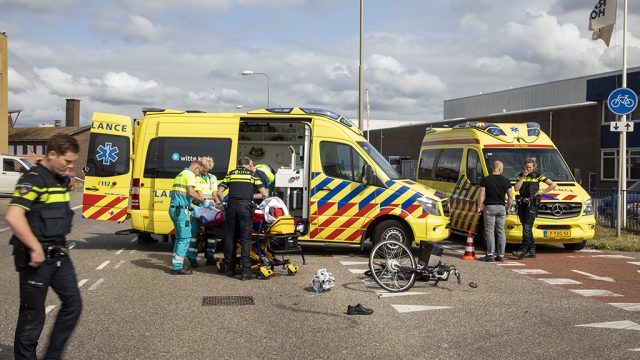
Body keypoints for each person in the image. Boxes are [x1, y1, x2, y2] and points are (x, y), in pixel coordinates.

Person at [5, 134, 83, 360]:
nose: (71, 166)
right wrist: (35, 247)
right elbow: (14, 215)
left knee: (73, 304)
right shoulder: (33, 179)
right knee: (33, 316)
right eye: (67, 161)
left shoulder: (59, 179)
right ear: (51, 154)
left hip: (58, 255)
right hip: (34, 257)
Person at [217, 157, 268, 280]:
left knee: (230, 237)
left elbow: (219, 192)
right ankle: (245, 271)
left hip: (231, 208)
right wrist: (251, 197)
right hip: (245, 208)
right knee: (245, 239)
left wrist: (224, 203)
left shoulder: (231, 174)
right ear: (248, 165)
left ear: (238, 165)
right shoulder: (252, 175)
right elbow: (265, 193)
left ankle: (230, 269)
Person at [169, 158, 211, 275]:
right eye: (199, 172)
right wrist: (203, 202)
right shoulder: (190, 174)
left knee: (179, 238)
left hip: (175, 208)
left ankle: (176, 263)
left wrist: (192, 206)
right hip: (181, 211)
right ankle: (177, 267)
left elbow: (180, 195)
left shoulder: (180, 174)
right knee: (185, 238)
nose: (198, 174)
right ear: (196, 168)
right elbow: (191, 192)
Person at [512, 157, 557, 259]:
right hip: (522, 203)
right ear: (524, 167)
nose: (528, 169)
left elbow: (553, 184)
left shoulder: (538, 175)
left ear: (534, 167)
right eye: (527, 167)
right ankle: (532, 251)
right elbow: (516, 188)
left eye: (530, 167)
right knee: (526, 227)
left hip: (532, 204)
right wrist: (523, 176)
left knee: (527, 226)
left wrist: (543, 192)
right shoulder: (520, 175)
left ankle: (523, 250)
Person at [186, 156, 222, 268]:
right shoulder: (196, 178)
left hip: (210, 207)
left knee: (213, 233)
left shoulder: (213, 177)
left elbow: (215, 193)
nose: (205, 170)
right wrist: (204, 202)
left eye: (207, 168)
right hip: (199, 207)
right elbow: (198, 192)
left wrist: (218, 204)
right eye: (204, 168)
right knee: (194, 233)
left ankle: (210, 256)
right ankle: (192, 257)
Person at [476, 160, 513, 262]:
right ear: (500, 169)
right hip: (501, 207)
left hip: (489, 207)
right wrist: (508, 208)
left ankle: (490, 254)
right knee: (501, 231)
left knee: (489, 230)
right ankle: (500, 255)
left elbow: (481, 194)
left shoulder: (486, 180)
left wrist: (479, 207)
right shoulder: (506, 180)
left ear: (493, 168)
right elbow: (510, 197)